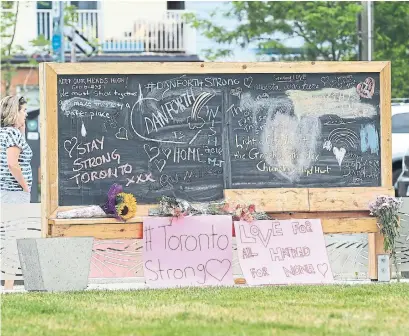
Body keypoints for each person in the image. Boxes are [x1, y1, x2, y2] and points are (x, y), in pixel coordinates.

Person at [0, 95, 32, 204]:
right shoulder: (13, 133)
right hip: (14, 193)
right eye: (24, 110)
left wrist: (21, 129)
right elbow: (12, 164)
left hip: (6, 191)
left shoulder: (5, 132)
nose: (26, 114)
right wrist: (25, 187)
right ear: (15, 112)